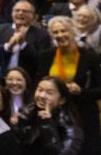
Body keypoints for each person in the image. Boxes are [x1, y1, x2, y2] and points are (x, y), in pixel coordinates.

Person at [38, 16, 101, 155]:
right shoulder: (45, 56)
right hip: (54, 116)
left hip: (83, 115)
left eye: (64, 30)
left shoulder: (91, 57)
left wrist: (81, 91)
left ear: (73, 31)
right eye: (55, 32)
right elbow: (38, 84)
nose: (60, 35)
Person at [14, 77, 84, 155]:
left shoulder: (70, 124)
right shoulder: (27, 112)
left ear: (62, 100)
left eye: (49, 92)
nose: (42, 96)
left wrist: (47, 125)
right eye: (40, 90)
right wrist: (18, 125)